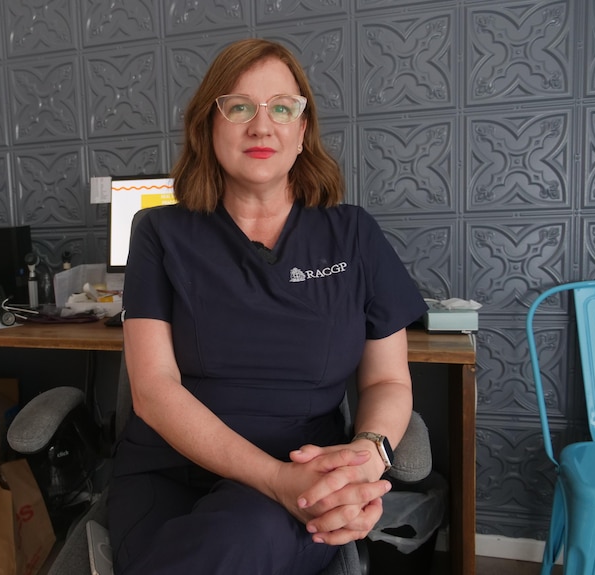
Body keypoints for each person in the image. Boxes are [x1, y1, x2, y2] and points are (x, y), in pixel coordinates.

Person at [107, 38, 427, 575]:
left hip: (305, 473)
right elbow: (154, 393)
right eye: (239, 107)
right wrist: (275, 480)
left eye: (282, 108)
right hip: (172, 475)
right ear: (209, 127)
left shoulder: (353, 234)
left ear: (303, 131)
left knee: (247, 532)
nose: (262, 126)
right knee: (233, 540)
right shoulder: (161, 233)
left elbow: (387, 384)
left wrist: (365, 459)